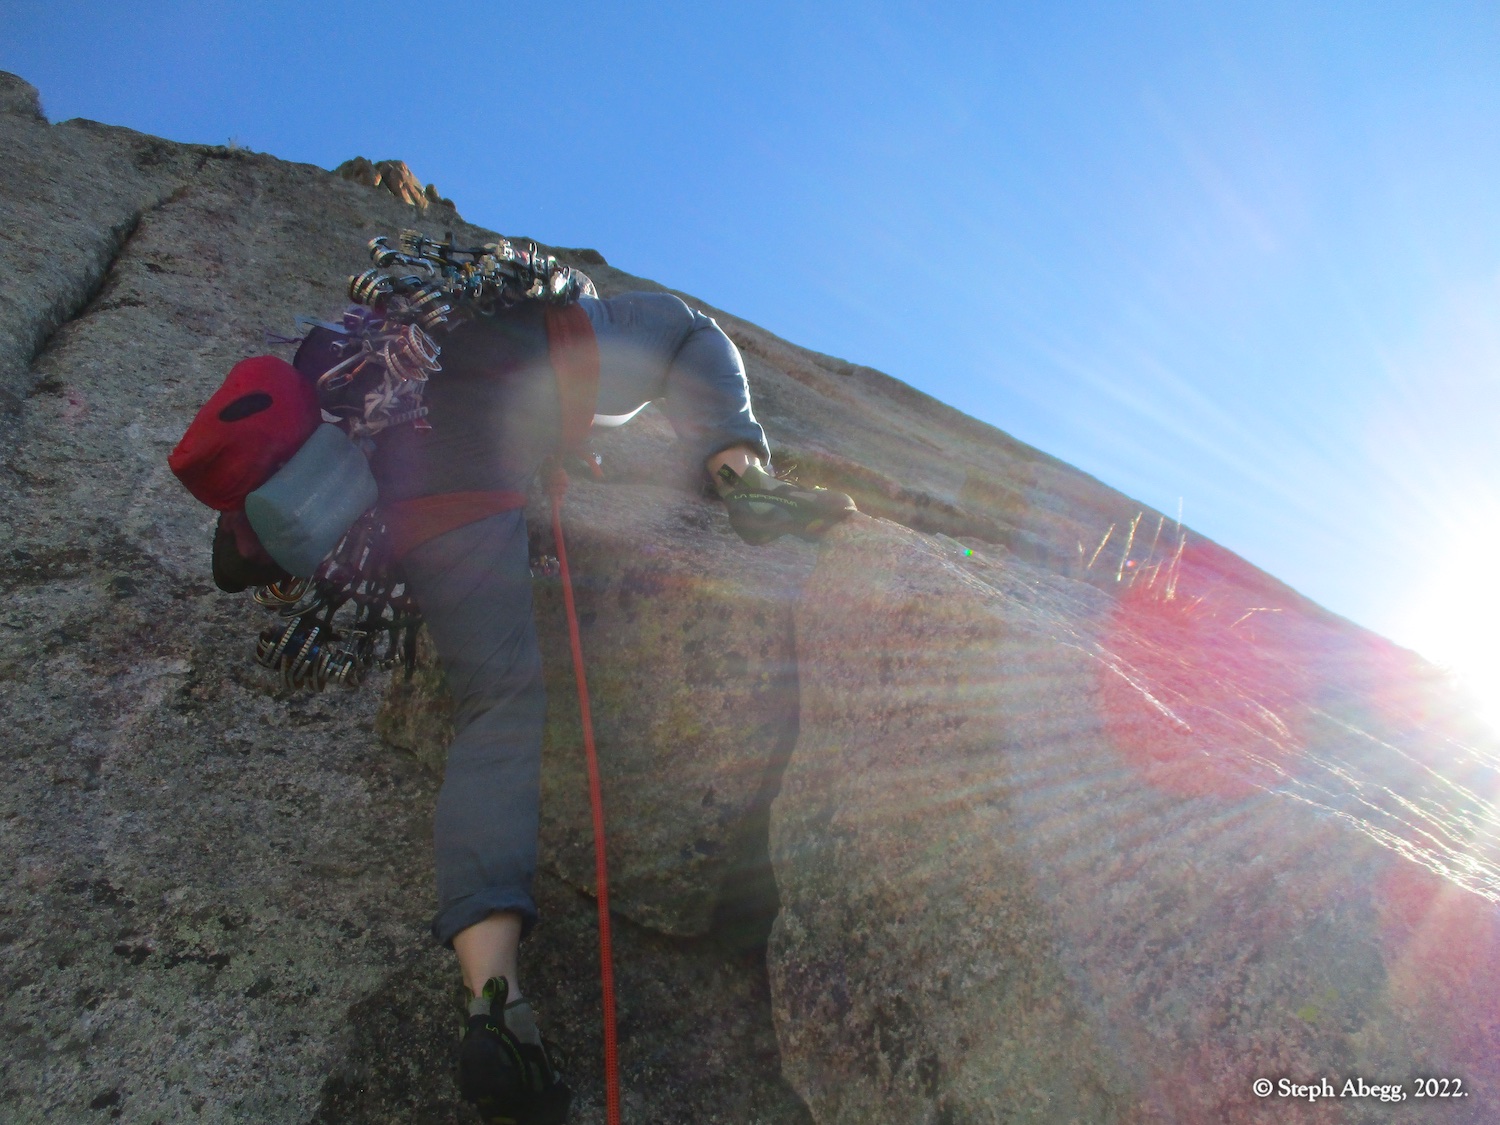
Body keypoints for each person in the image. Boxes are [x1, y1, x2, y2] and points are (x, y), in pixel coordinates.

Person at [289, 286, 854, 1123]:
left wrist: (544, 452)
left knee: (496, 708)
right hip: (524, 390)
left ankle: (497, 1005)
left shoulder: (375, 370)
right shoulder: (501, 309)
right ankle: (745, 479)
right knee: (686, 328)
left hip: (414, 505)